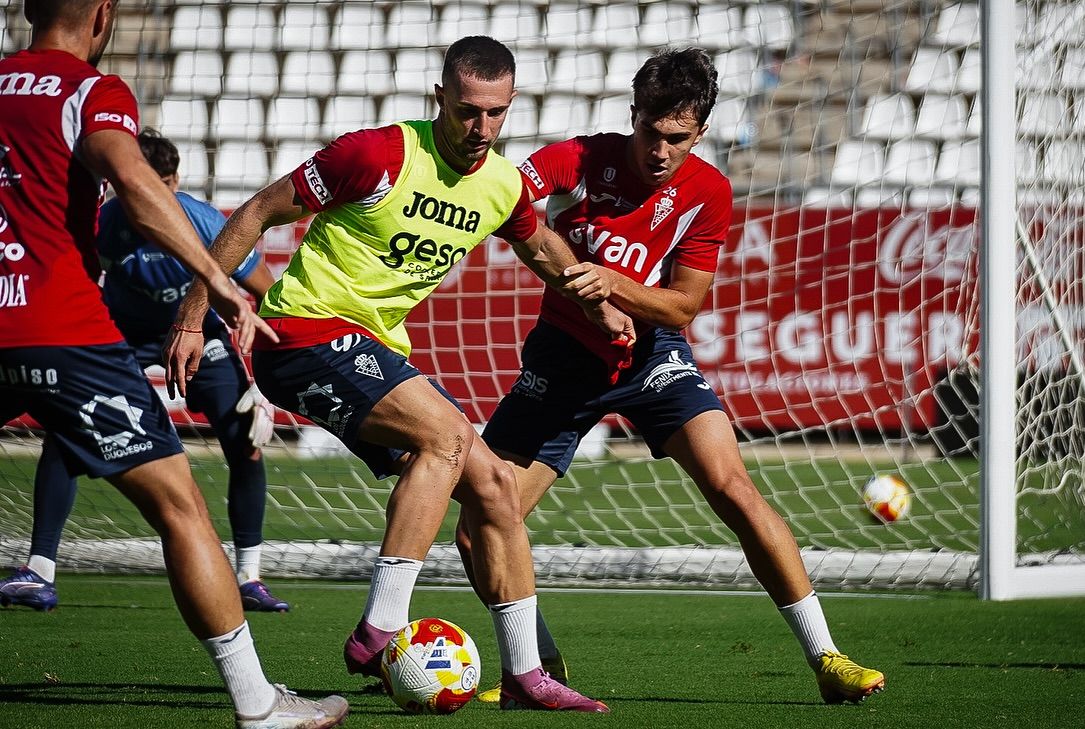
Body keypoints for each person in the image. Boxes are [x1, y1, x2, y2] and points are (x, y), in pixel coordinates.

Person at [164, 36, 632, 713]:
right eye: (469, 111)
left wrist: (598, 298)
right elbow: (259, 209)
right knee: (444, 436)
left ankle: (528, 675)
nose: (482, 129)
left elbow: (538, 243)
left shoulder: (500, 183)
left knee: (495, 485)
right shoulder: (376, 154)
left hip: (375, 349)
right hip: (301, 332)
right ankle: (379, 628)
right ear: (439, 97)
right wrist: (192, 311)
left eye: (497, 113)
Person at [461, 48, 887, 706]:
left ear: (701, 132)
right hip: (562, 359)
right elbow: (502, 197)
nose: (660, 152)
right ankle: (536, 668)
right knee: (477, 522)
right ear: (632, 118)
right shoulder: (581, 158)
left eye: (677, 139)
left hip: (650, 356)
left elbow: (683, 305)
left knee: (733, 488)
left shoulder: (708, 193)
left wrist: (612, 284)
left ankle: (827, 656)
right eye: (649, 134)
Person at [0, 2, 347, 727]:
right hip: (61, 329)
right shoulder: (90, 90)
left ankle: (43, 564)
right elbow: (131, 179)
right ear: (104, 15)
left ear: (29, 8)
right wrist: (215, 280)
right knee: (179, 505)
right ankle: (259, 703)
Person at [0, 129, 289, 613]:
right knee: (65, 435)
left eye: (148, 187)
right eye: (123, 186)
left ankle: (249, 578)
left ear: (172, 183)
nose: (135, 198)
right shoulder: (100, 223)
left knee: (247, 442)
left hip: (200, 335)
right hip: (123, 336)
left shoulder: (202, 222)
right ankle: (38, 571)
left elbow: (269, 295)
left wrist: (261, 382)